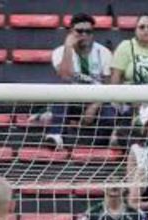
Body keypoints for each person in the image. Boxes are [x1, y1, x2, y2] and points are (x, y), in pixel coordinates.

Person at [47, 13, 116, 150]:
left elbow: (108, 86)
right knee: (60, 98)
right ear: (71, 32)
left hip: (96, 100)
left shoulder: (104, 53)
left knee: (109, 114)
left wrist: (94, 106)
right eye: (79, 31)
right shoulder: (60, 52)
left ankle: (99, 148)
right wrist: (68, 48)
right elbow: (65, 76)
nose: (84, 34)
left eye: (88, 31)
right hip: (72, 100)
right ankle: (56, 137)